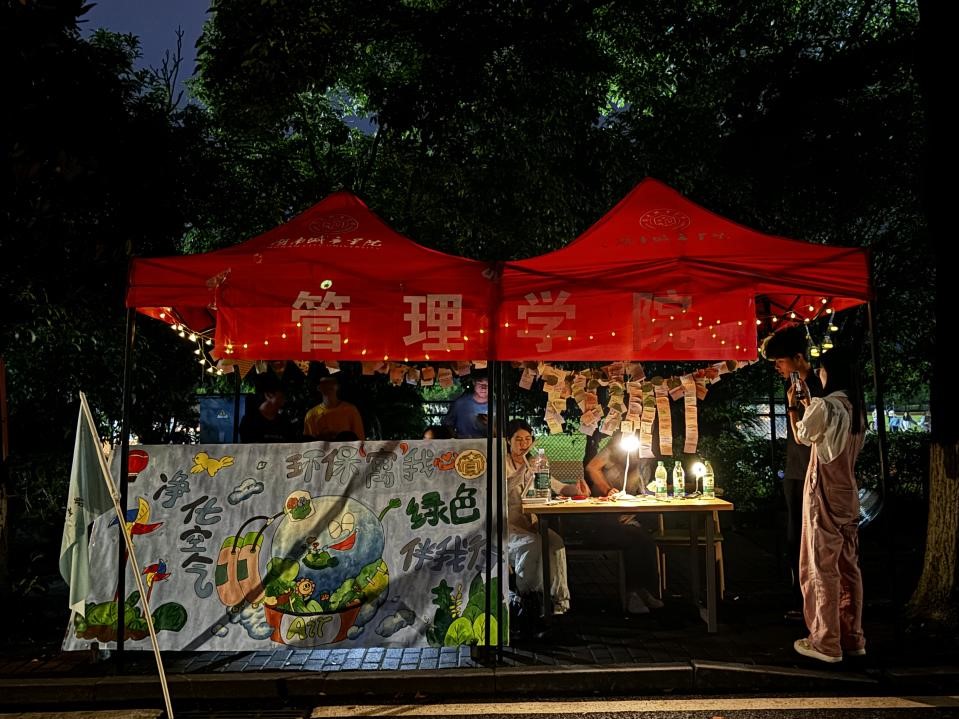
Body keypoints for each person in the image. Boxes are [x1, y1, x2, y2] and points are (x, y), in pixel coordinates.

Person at [788, 346, 867, 663]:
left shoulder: (826, 404)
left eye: (821, 369)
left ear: (830, 372)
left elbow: (803, 435)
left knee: (821, 567)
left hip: (824, 492)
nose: (819, 373)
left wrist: (794, 408)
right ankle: (853, 637)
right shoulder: (855, 408)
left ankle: (826, 642)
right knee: (849, 567)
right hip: (848, 492)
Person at [761, 325, 824, 622]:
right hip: (796, 471)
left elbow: (804, 436)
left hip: (811, 471)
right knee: (795, 537)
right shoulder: (796, 385)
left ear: (799, 358)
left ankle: (809, 603)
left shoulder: (817, 388)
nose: (777, 368)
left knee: (807, 538)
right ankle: (800, 598)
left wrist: (792, 406)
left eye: (780, 361)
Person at [505, 419, 582, 616]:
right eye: (518, 439)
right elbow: (501, 488)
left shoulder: (536, 464)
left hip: (531, 524)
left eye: (528, 439)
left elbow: (557, 486)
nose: (524, 444)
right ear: (508, 441)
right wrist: (523, 470)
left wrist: (576, 490)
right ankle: (528, 597)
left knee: (555, 543)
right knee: (534, 545)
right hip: (507, 527)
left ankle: (558, 599)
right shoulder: (502, 463)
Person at [582, 435, 664, 614]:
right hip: (602, 521)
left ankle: (644, 590)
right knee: (636, 540)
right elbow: (592, 468)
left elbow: (643, 488)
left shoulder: (644, 457)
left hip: (626, 519)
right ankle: (632, 593)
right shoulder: (613, 451)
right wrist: (607, 490)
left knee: (646, 541)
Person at [238, 372, 297, 443]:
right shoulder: (249, 422)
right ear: (268, 395)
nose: (285, 398)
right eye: (282, 395)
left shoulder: (285, 423)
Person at [303, 374, 365, 441]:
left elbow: (360, 439)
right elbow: (308, 443)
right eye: (325, 383)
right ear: (319, 388)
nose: (328, 386)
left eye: (331, 383)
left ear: (337, 386)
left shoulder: (350, 410)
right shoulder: (311, 415)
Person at [441, 372, 489, 438]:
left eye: (488, 384)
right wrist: (456, 437)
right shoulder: (460, 403)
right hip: (463, 443)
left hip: (488, 443)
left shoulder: (496, 406)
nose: (484, 388)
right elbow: (447, 425)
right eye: (480, 383)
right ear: (474, 382)